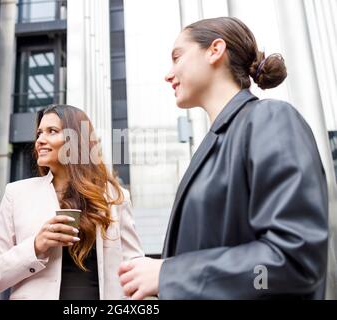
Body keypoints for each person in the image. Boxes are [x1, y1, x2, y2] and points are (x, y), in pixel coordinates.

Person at [118, 17, 328, 299]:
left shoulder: (269, 119)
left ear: (215, 50)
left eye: (177, 57)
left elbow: (294, 261)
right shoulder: (218, 142)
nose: (168, 74)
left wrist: (170, 274)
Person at [0, 104, 143, 299]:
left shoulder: (114, 197)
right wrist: (36, 246)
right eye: (39, 133)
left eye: (52, 131)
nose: (40, 140)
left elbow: (135, 267)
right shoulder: (16, 194)